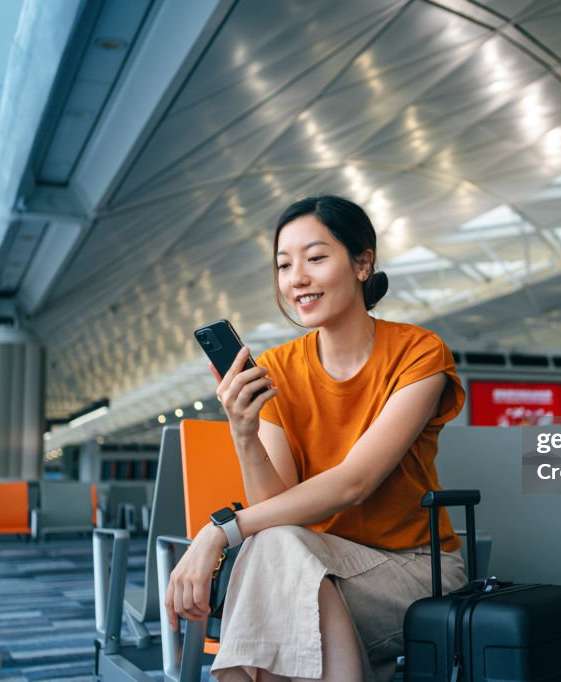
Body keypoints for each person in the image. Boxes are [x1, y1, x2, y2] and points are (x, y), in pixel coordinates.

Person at [165, 195, 467, 681]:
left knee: (275, 585)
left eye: (316, 257)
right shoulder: (279, 370)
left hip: (413, 570)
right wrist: (244, 432)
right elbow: (276, 509)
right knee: (281, 560)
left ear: (362, 262)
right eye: (284, 265)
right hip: (305, 562)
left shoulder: (418, 353)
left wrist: (219, 531)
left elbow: (354, 484)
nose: (296, 278)